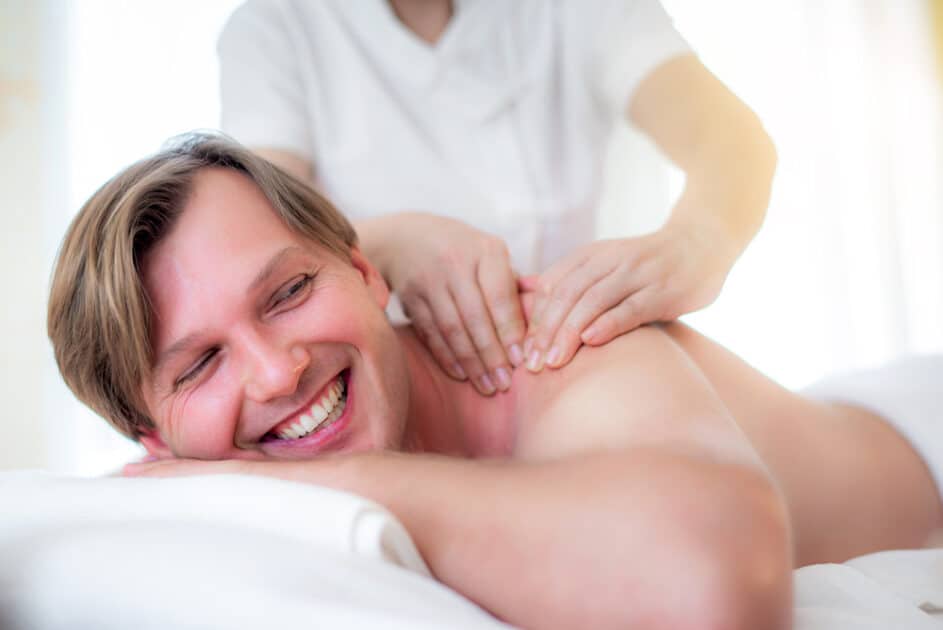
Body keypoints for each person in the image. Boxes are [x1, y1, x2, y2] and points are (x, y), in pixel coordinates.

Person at [48, 135, 939, 630]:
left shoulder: (546, 340)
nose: (278, 371)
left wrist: (286, 472)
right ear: (154, 442)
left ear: (365, 272)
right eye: (200, 364)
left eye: (288, 292)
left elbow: (710, 592)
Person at [217, 0, 778, 396]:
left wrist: (699, 238)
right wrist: (391, 243)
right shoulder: (274, 29)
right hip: (408, 400)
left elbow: (730, 140)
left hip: (597, 379)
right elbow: (263, 233)